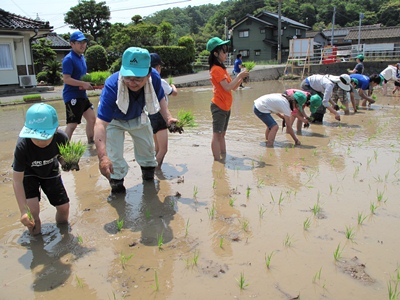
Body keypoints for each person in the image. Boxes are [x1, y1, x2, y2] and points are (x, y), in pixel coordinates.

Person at [94, 47, 177, 194]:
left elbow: (160, 99)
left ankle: (149, 188)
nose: (132, 82)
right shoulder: (113, 85)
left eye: (138, 78)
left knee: (148, 154)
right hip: (114, 120)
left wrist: (168, 118)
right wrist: (102, 156)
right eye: (128, 77)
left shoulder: (155, 79)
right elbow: (100, 124)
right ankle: (118, 190)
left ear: (148, 74)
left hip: (138, 116)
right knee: (114, 159)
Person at [12, 103, 70, 235]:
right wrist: (23, 211)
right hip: (28, 173)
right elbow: (17, 181)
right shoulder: (22, 145)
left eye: (45, 137)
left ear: (55, 130)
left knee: (64, 208)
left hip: (50, 170)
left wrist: (67, 163)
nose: (40, 141)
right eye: (36, 137)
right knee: (32, 213)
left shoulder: (61, 138)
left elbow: (62, 157)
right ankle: (37, 243)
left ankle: (64, 233)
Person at [206, 37, 249, 161]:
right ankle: (217, 161)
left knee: (222, 134)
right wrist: (239, 75)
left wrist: (241, 78)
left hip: (226, 106)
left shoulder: (222, 69)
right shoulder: (216, 69)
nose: (226, 54)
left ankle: (223, 156)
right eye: (223, 51)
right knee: (217, 134)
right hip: (219, 106)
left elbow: (233, 88)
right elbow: (227, 87)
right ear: (215, 53)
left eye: (226, 51)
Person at [62, 30, 96, 143]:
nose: (83, 45)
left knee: (92, 120)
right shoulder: (69, 59)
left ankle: (91, 143)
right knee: (72, 124)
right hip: (72, 96)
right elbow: (66, 79)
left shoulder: (81, 57)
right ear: (72, 44)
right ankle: (63, 151)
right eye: (79, 42)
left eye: (84, 42)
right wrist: (83, 84)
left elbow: (80, 74)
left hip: (82, 95)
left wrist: (90, 78)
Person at [149, 53, 178, 169]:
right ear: (157, 68)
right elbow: (174, 93)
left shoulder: (146, 81)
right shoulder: (160, 81)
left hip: (150, 115)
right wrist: (173, 85)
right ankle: (154, 170)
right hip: (160, 116)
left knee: (157, 147)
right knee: (164, 149)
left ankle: (155, 169)